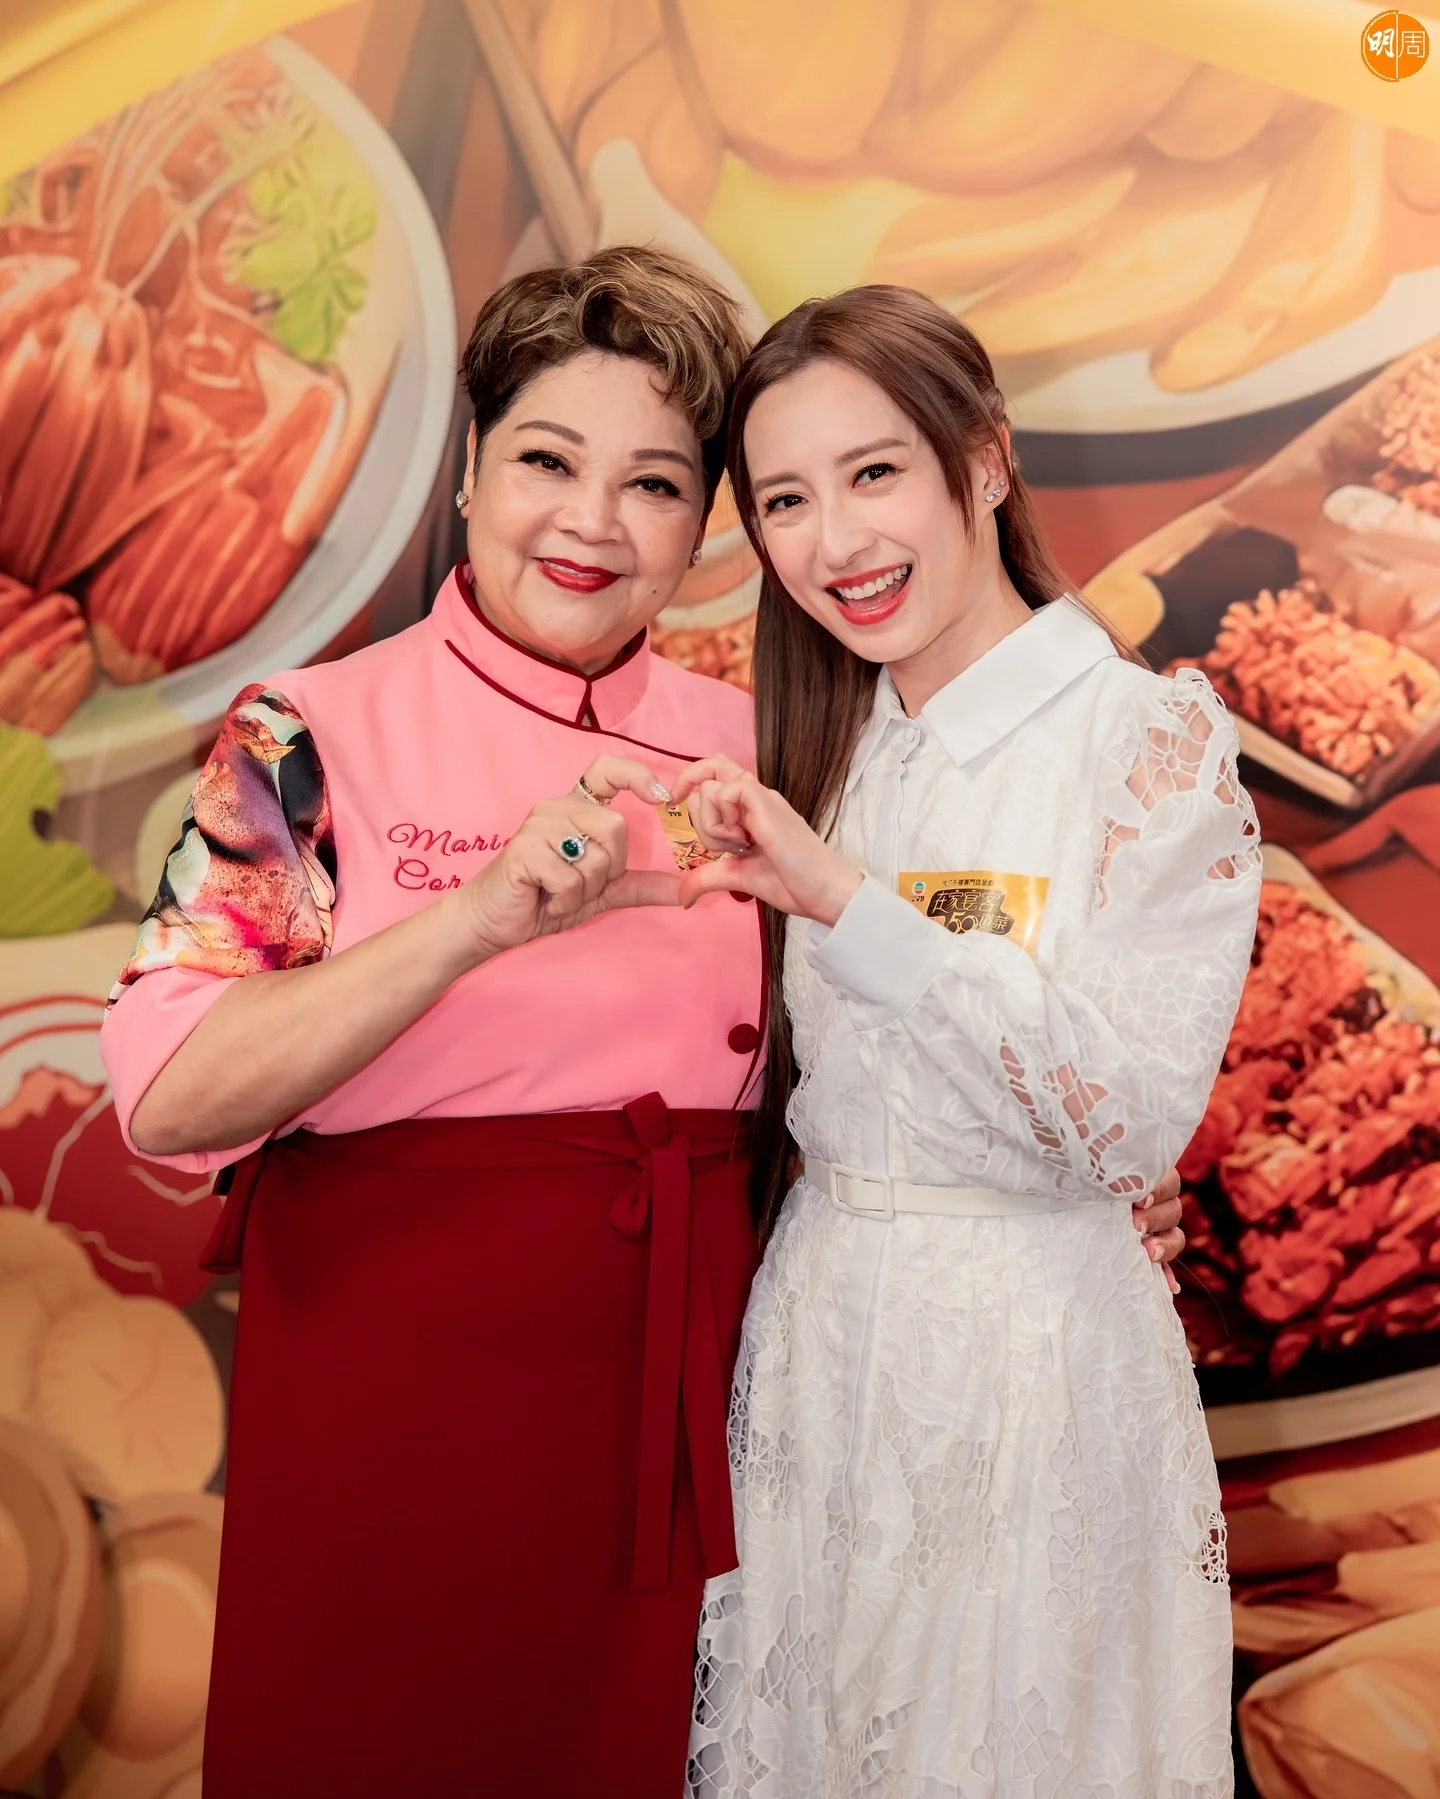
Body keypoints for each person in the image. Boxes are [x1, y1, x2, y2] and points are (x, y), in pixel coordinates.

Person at [101, 249, 1188, 1798]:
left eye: (656, 485)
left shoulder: (770, 751)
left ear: (704, 529)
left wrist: (1061, 1168)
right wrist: (474, 919)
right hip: (392, 1395)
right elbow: (166, 1093)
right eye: (547, 461)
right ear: (471, 469)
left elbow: (937, 983)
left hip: (707, 1410)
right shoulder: (305, 734)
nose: (594, 524)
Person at [672, 287, 1259, 1797]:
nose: (836, 541)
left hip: (1031, 1369)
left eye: (874, 473)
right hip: (817, 1349)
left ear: (986, 460)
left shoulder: (1147, 741)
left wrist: (845, 903)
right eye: (785, 500)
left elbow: (1122, 1117)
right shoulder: (821, 751)